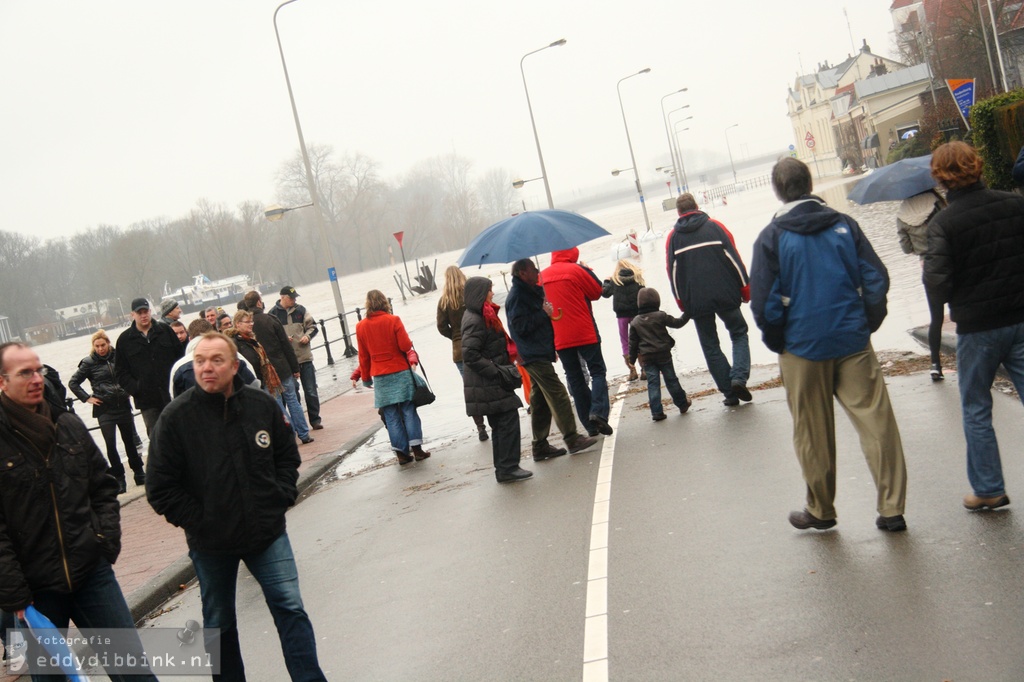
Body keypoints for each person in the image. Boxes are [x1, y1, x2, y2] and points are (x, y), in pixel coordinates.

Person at [146, 333, 327, 682]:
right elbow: (160, 486)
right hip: (211, 543)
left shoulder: (260, 406)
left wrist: (280, 497)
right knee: (218, 623)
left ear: (234, 366)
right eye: (200, 360)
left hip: (267, 533)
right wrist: (199, 521)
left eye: (216, 360)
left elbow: (286, 457)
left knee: (291, 609)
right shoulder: (176, 419)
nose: (207, 367)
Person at [749, 157, 908, 532]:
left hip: (801, 346)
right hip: (852, 339)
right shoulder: (845, 225)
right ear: (810, 183)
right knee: (876, 421)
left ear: (777, 190)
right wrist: (866, 323)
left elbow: (763, 302)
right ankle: (892, 508)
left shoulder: (771, 238)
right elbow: (876, 278)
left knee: (812, 430)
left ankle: (821, 509)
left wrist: (779, 343)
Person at [0, 342, 156, 681]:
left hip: (91, 572)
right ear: (2, 382)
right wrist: (12, 590)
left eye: (38, 370)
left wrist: (104, 542)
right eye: (24, 372)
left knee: (135, 672)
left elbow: (103, 487)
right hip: (36, 589)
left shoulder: (67, 424)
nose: (36, 379)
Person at [923, 141, 1024, 512]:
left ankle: (989, 488)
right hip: (1021, 319)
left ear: (940, 176)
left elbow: (937, 282)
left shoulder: (944, 224)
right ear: (977, 166)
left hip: (978, 329)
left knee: (977, 407)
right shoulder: (1016, 205)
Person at [666, 192, 752, 406]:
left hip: (696, 300)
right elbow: (734, 259)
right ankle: (739, 378)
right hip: (726, 293)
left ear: (679, 212)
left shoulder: (673, 238)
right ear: (697, 206)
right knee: (739, 333)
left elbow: (673, 273)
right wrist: (746, 288)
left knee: (710, 345)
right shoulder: (716, 227)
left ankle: (730, 394)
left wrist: (681, 302)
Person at [506, 258, 597, 459]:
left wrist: (543, 307)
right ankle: (572, 438)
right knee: (558, 393)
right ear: (522, 273)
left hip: (537, 351)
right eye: (533, 269)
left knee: (539, 399)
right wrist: (542, 313)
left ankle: (539, 445)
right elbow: (520, 328)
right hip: (531, 353)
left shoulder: (529, 292)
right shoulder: (517, 296)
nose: (537, 271)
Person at [461, 276, 532, 483]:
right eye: (489, 290)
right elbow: (470, 354)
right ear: (480, 293)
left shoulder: (480, 315)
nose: (492, 293)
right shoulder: (475, 319)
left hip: (489, 382)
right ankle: (507, 468)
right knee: (507, 422)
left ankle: (506, 468)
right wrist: (497, 371)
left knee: (503, 424)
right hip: (489, 382)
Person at [541, 248, 613, 437]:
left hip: (560, 335)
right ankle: (598, 412)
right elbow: (597, 292)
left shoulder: (542, 277)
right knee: (597, 371)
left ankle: (589, 425)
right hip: (584, 330)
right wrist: (587, 271)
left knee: (575, 377)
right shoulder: (576, 270)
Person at [353, 290, 430, 465]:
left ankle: (402, 454)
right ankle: (417, 449)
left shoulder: (361, 326)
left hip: (381, 377)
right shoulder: (393, 320)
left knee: (391, 415)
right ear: (384, 303)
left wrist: (365, 378)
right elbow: (404, 345)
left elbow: (363, 356)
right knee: (409, 411)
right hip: (400, 371)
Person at [69, 330, 145, 493]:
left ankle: (139, 472)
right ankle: (119, 478)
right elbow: (73, 382)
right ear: (93, 347)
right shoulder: (89, 363)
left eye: (103, 345)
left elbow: (134, 372)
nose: (100, 349)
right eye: (97, 346)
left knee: (130, 441)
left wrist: (131, 389)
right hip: (104, 408)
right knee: (110, 444)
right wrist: (87, 398)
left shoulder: (119, 357)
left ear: (108, 343)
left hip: (123, 404)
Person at [242, 291, 312, 445]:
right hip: (282, 366)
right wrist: (295, 367)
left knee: (277, 404)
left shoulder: (246, 326)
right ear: (259, 302)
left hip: (265, 370)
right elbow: (286, 346)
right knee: (292, 400)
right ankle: (304, 433)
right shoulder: (271, 319)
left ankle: (289, 433)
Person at [896, 188, 948, 380]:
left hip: (929, 268)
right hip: (950, 260)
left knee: (936, 319)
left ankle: (935, 365)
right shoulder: (936, 203)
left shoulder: (902, 215)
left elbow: (905, 247)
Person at [115, 297, 184, 437]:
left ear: (150, 311)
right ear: (132, 315)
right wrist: (136, 388)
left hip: (171, 394)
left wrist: (179, 384)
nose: (143, 315)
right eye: (139, 312)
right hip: (147, 401)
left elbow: (180, 359)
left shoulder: (165, 331)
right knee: (156, 438)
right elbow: (121, 372)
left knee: (180, 433)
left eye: (145, 311)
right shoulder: (124, 340)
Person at [436, 265, 489, 442]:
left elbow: (441, 326)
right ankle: (494, 419)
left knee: (471, 389)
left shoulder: (444, 301)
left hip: (460, 351)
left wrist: (455, 337)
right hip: (479, 343)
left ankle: (480, 427)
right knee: (486, 382)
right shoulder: (471, 295)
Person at [628, 287, 692, 421]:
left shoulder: (635, 321)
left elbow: (633, 343)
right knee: (671, 380)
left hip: (646, 357)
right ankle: (682, 403)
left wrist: (632, 359)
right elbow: (677, 323)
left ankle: (657, 412)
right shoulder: (661, 316)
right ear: (657, 301)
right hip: (663, 354)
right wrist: (688, 313)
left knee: (653, 383)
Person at [268, 286, 322, 431]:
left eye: (295, 297)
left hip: (304, 357)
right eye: (291, 298)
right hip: (286, 361)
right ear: (282, 297)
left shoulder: (301, 310)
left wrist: (308, 336)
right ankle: (299, 423)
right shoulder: (272, 314)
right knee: (292, 394)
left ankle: (315, 420)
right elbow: (271, 337)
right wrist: (284, 340)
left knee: (310, 390)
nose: (294, 300)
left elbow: (313, 326)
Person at [171, 319, 257, 398]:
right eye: (200, 362)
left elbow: (173, 396)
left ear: (190, 338)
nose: (207, 368)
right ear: (212, 333)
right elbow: (254, 384)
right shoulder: (233, 355)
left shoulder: (178, 366)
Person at [602, 258, 644, 381]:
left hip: (621, 315)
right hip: (637, 313)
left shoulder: (615, 281)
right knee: (640, 339)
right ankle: (645, 369)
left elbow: (604, 293)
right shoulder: (637, 278)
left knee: (625, 342)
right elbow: (643, 293)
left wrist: (606, 281)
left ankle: (632, 370)